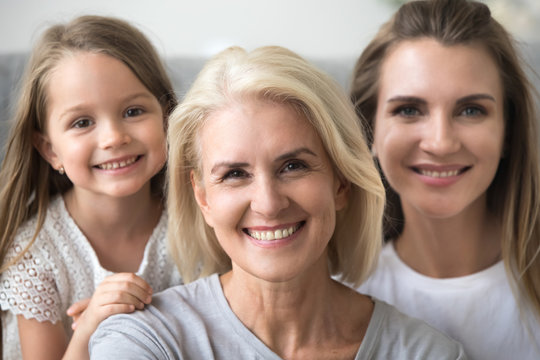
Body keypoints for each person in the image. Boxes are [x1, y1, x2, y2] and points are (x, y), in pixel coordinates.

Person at [89, 45, 466, 359]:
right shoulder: (145, 341)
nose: (268, 204)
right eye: (235, 174)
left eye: (293, 166)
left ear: (340, 183)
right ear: (202, 197)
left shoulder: (426, 353)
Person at [349, 0, 540, 359]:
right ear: (368, 128)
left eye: (471, 110)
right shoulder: (341, 295)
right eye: (408, 110)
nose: (440, 143)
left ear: (508, 131)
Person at [0, 15, 181, 360]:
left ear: (166, 117)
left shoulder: (194, 222)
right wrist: (89, 329)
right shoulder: (33, 256)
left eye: (133, 111)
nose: (114, 137)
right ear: (51, 150)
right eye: (82, 122)